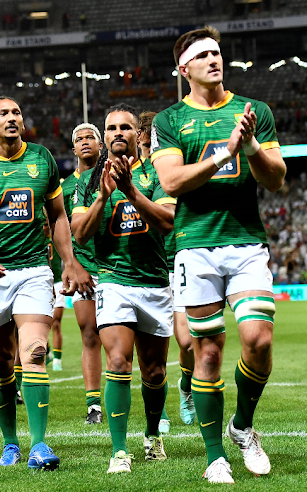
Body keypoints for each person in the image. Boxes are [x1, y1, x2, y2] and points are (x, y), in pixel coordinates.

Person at [151, 27, 287, 483]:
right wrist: (222, 154)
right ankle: (215, 457)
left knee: (260, 340)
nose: (215, 59)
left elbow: (275, 179)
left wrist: (248, 148)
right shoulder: (169, 120)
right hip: (195, 247)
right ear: (183, 68)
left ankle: (242, 427)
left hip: (247, 242)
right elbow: (171, 183)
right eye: (203, 55)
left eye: (217, 52)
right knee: (206, 351)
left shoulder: (255, 112)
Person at [0, 96, 91, 469]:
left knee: (34, 353)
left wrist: (69, 262)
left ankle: (40, 444)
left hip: (33, 271)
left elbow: (59, 216)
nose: (12, 118)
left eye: (16, 112)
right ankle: (10, 443)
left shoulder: (41, 158)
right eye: (3, 113)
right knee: (0, 363)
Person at [72, 104, 176, 474]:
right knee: (118, 361)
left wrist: (130, 191)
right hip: (114, 281)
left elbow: (167, 221)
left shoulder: (158, 173)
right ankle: (119, 451)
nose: (118, 133)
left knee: (155, 371)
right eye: (111, 127)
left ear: (137, 134)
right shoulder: (87, 183)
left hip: (154, 281)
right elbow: (80, 233)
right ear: (105, 136)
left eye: (125, 128)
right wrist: (103, 196)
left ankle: (152, 436)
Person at [139, 111, 195, 430]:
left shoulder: (178, 171)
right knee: (152, 346)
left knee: (187, 342)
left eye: (152, 145)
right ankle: (158, 411)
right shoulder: (134, 175)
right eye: (145, 145)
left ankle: (185, 387)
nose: (149, 151)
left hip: (179, 260)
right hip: (148, 265)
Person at [64, 123, 102, 423]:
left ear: (100, 144)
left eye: (91, 137)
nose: (85, 142)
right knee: (89, 333)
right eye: (80, 139)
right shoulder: (64, 188)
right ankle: (93, 405)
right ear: (73, 148)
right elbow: (56, 230)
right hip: (84, 269)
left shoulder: (112, 176)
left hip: (116, 267)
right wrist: (73, 267)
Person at [44, 218, 65, 372]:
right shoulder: (34, 239)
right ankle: (47, 352)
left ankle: (58, 360)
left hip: (57, 282)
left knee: (56, 322)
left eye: (47, 224)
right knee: (42, 323)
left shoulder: (56, 237)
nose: (45, 228)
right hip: (42, 284)